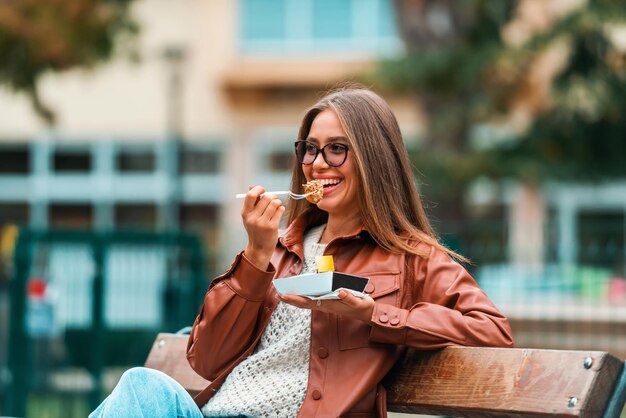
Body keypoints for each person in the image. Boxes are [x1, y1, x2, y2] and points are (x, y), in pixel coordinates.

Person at [89, 87, 514, 418]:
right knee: (143, 389)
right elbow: (206, 358)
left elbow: (494, 333)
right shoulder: (278, 250)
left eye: (337, 148)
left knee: (141, 389)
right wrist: (255, 258)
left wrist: (374, 316)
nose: (318, 162)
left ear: (374, 158)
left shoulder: (411, 258)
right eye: (310, 148)